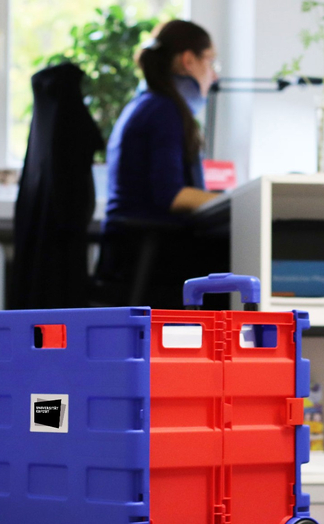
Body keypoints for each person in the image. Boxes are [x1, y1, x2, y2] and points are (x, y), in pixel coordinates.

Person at [97, 20, 228, 308]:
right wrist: (232, 202)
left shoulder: (145, 104)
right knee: (239, 253)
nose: (214, 76)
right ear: (188, 61)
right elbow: (172, 195)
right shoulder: (164, 110)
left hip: (129, 248)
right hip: (152, 250)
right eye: (211, 62)